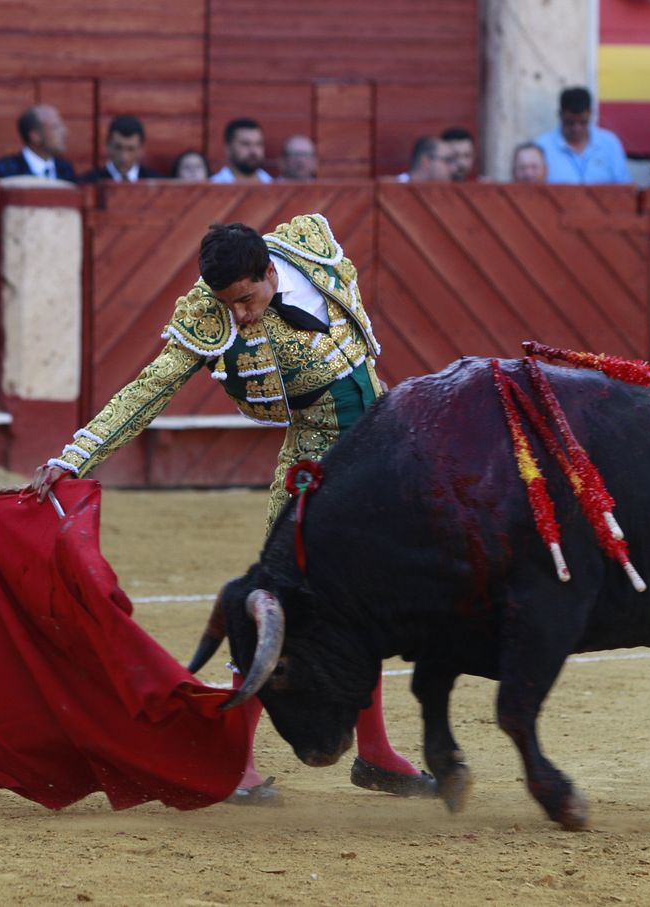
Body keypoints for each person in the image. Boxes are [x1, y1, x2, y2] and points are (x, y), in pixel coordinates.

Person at [32, 216, 436, 804]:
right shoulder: (211, 312)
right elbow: (151, 387)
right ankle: (236, 762)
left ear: (271, 273)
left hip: (381, 455)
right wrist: (77, 455)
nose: (241, 315)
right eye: (230, 304)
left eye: (247, 299)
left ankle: (374, 754)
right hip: (315, 471)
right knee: (271, 606)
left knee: (366, 606)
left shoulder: (308, 246)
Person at [533, 86, 631, 182]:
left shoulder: (609, 144)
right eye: (570, 122)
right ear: (560, 115)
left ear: (591, 114)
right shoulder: (542, 147)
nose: (577, 128)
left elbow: (624, 188)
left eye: (583, 122)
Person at [0, 104, 77, 182]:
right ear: (35, 136)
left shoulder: (65, 169)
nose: (65, 132)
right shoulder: (4, 170)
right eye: (55, 127)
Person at [79, 115, 162, 183]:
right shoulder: (87, 183)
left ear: (141, 149)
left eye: (131, 149)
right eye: (118, 148)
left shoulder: (157, 183)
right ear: (108, 146)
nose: (124, 157)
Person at [210, 118, 272, 183]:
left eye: (258, 144)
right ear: (228, 148)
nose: (253, 151)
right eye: (245, 144)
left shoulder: (271, 184)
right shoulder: (213, 185)